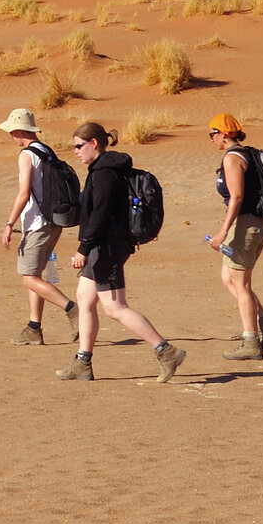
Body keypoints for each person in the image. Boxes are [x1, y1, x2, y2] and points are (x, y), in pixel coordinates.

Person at [56, 121, 187, 383]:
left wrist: (84, 247)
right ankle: (83, 362)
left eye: (79, 146)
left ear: (94, 144)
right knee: (84, 298)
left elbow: (101, 215)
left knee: (115, 307)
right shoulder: (101, 169)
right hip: (102, 246)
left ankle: (165, 351)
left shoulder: (105, 172)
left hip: (107, 248)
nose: (76, 151)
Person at [0, 107, 79, 346]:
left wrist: (9, 224)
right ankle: (34, 328)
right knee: (35, 275)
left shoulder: (26, 155)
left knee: (28, 277)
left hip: (37, 223)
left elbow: (23, 194)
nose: (10, 135)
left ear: (19, 130)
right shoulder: (46, 151)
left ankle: (72, 309)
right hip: (53, 221)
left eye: (11, 131)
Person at [206, 113, 263, 360]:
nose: (212, 139)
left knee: (241, 284)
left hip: (245, 225)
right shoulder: (246, 153)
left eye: (213, 133)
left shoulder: (232, 158)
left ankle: (251, 340)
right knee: (228, 278)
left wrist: (223, 231)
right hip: (255, 224)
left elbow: (236, 197)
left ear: (225, 133)